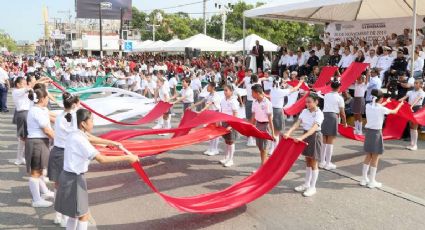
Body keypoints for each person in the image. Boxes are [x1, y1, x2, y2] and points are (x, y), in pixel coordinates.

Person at [54, 109, 139, 230]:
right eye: (92, 120)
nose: (93, 123)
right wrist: (128, 157)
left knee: (74, 215)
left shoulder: (74, 133)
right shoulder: (80, 139)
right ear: (83, 123)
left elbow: (91, 138)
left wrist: (112, 143)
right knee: (83, 215)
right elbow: (101, 159)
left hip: (69, 177)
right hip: (74, 180)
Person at [48, 92, 81, 227]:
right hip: (68, 153)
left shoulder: (60, 116)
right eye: (78, 103)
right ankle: (66, 217)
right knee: (68, 187)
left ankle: (58, 215)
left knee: (58, 185)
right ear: (74, 104)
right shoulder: (75, 118)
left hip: (57, 152)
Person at [360, 89, 404, 188]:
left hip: (368, 133)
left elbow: (377, 106)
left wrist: (385, 102)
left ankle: (363, 179)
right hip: (376, 133)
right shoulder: (380, 109)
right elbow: (394, 111)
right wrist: (400, 105)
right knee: (375, 157)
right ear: (380, 99)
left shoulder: (368, 106)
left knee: (368, 156)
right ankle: (372, 181)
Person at [284, 93, 324, 197]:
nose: (307, 104)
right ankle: (306, 184)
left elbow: (314, 128)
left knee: (314, 162)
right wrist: (289, 132)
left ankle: (313, 187)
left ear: (316, 102)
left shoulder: (319, 113)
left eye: (309, 102)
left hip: (314, 136)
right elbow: (298, 123)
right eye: (306, 102)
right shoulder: (304, 111)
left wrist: (301, 138)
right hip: (305, 135)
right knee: (308, 161)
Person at [26, 83, 55, 208]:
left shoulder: (39, 109)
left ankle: (44, 192)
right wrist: (60, 140)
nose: (48, 99)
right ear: (42, 99)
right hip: (37, 142)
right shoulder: (37, 111)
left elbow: (52, 119)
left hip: (38, 142)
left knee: (40, 170)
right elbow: (47, 130)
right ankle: (36, 200)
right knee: (35, 172)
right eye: (47, 97)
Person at [269, 77, 304, 153]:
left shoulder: (273, 89)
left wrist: (284, 82)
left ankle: (272, 149)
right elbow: (294, 89)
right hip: (278, 111)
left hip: (272, 110)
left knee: (274, 130)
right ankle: (274, 149)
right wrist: (300, 83)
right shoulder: (280, 91)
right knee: (277, 132)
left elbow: (281, 86)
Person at [319, 79, 347, 170]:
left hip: (324, 115)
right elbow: (342, 112)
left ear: (331, 86)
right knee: (330, 140)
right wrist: (345, 122)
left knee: (324, 139)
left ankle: (322, 161)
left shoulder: (326, 95)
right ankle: (328, 163)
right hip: (332, 116)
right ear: (339, 87)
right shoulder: (340, 98)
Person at [191, 82, 222, 156]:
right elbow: (202, 101)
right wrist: (192, 106)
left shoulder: (216, 95)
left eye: (208, 86)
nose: (207, 88)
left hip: (216, 114)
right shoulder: (209, 95)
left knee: (215, 132)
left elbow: (208, 104)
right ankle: (211, 148)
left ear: (213, 87)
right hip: (210, 114)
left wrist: (201, 111)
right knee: (210, 131)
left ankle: (215, 149)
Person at [251, 84, 274, 166]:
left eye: (252, 93)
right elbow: (253, 115)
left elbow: (270, 119)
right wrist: (251, 127)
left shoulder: (267, 103)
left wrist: (273, 133)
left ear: (257, 93)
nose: (251, 95)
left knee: (264, 148)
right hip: (258, 125)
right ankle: (264, 164)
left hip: (266, 125)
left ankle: (263, 167)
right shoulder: (254, 102)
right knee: (261, 148)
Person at [399, 79, 424, 151]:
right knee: (411, 127)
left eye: (417, 83)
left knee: (415, 127)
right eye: (415, 83)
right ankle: (412, 144)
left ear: (421, 85)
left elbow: (417, 100)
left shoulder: (422, 92)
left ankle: (415, 145)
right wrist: (396, 101)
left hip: (416, 109)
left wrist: (411, 106)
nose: (415, 84)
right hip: (409, 109)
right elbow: (404, 98)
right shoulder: (410, 92)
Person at [12, 77, 31, 165]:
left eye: (25, 83)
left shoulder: (21, 91)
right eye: (23, 83)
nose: (25, 85)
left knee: (24, 137)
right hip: (23, 114)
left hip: (25, 113)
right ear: (18, 84)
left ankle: (20, 158)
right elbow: (29, 87)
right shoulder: (17, 91)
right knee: (23, 138)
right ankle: (19, 158)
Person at [219, 84, 239, 167]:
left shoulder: (234, 101)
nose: (225, 92)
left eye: (226, 90)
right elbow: (221, 111)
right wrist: (220, 121)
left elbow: (235, 114)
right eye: (224, 90)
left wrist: (231, 125)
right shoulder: (223, 100)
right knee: (226, 141)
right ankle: (226, 157)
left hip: (231, 122)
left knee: (231, 141)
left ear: (231, 91)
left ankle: (231, 159)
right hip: (224, 122)